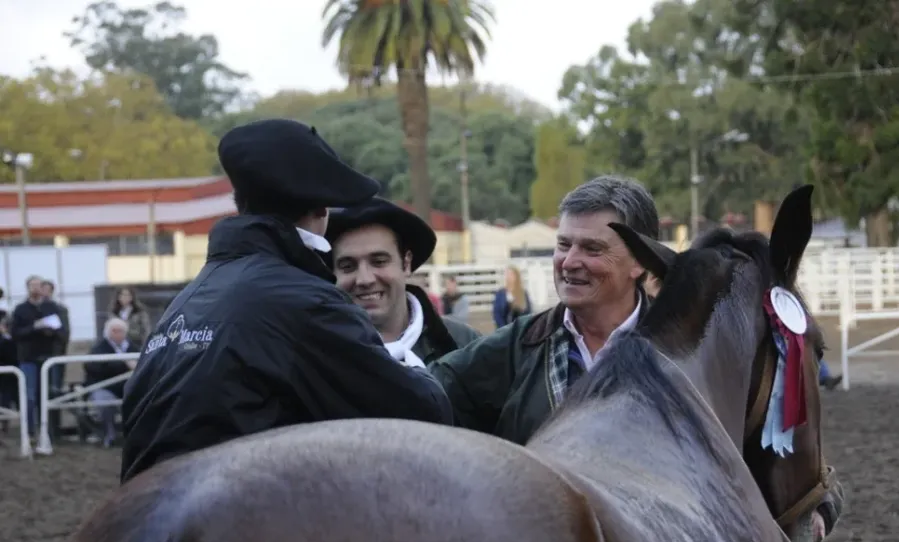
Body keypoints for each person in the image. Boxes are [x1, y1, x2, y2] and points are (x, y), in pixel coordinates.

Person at [120, 118, 453, 484]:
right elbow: (421, 413)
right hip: (236, 514)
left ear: (240, 202)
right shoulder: (304, 301)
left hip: (144, 500)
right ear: (321, 209)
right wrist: (417, 368)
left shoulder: (185, 301)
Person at [430, 175, 658, 444]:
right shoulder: (517, 347)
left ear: (640, 261)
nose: (569, 261)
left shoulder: (684, 349)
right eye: (563, 245)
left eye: (592, 248)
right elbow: (428, 394)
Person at [326, 197, 480, 365]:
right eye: (348, 266)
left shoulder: (463, 345)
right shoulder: (315, 355)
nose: (365, 279)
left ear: (406, 264)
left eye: (379, 261)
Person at [10, 276, 63, 439]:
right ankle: (29, 431)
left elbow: (60, 330)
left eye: (38, 285)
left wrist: (50, 331)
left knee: (47, 396)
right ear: (27, 288)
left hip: (48, 357)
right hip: (28, 358)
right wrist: (34, 327)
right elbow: (15, 333)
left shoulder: (51, 307)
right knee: (29, 397)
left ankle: (48, 431)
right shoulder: (20, 309)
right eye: (32, 285)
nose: (35, 288)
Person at [84, 317, 135, 448]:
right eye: (114, 331)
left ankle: (134, 436)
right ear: (108, 332)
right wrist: (123, 364)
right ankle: (109, 434)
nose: (118, 334)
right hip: (105, 387)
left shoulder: (133, 347)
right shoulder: (99, 348)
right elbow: (92, 367)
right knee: (104, 402)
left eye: (121, 331)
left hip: (129, 387)